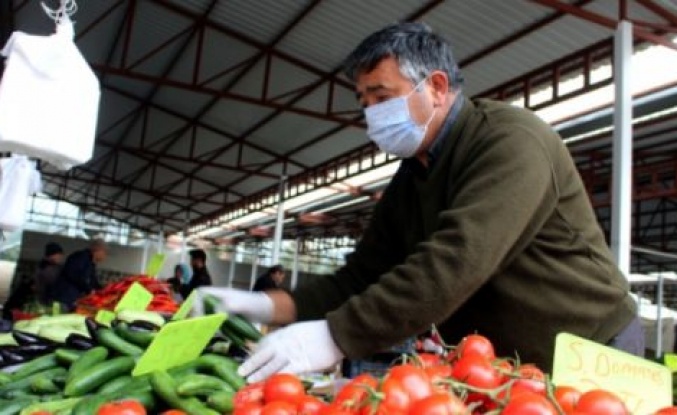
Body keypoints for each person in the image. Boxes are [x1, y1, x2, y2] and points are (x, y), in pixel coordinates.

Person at [195, 23, 641, 382]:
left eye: (382, 96)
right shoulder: (412, 178)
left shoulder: (511, 141)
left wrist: (334, 336)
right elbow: (359, 278)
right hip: (503, 364)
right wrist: (258, 306)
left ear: (438, 87)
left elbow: (456, 261)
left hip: (591, 346)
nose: (370, 113)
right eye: (363, 100)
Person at [51, 238, 106, 310]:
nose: (104, 256)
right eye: (104, 252)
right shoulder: (81, 257)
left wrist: (103, 291)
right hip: (65, 297)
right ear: (97, 250)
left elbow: (93, 282)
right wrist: (88, 289)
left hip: (72, 298)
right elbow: (73, 274)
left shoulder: (90, 263)